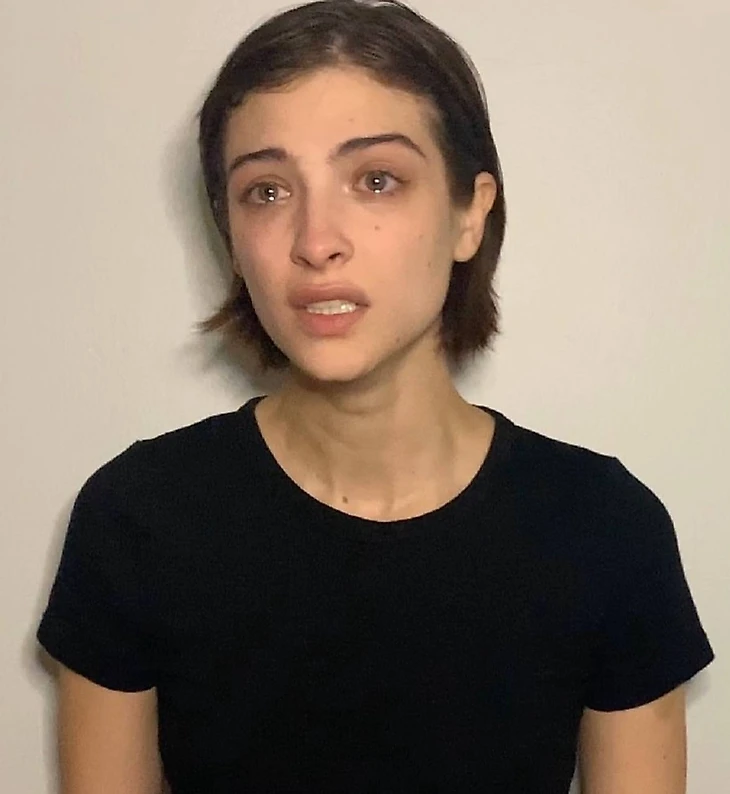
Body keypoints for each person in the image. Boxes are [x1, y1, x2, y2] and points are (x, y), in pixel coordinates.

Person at [37, 1, 714, 792]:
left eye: (377, 180)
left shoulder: (606, 530)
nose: (316, 241)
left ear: (469, 214)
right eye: (266, 191)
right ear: (231, 236)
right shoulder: (137, 522)